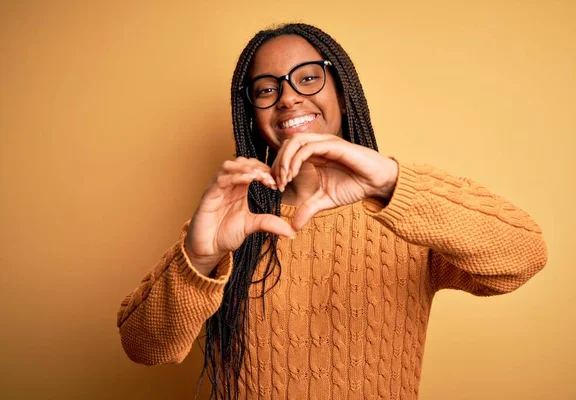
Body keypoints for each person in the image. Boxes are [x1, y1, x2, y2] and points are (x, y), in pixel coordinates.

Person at [117, 23, 547, 400]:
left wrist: (390, 182)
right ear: (251, 115)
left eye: (308, 78)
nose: (287, 97)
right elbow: (145, 347)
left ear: (343, 93)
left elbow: (524, 256)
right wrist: (201, 256)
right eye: (267, 89)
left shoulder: (405, 209)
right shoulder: (229, 220)